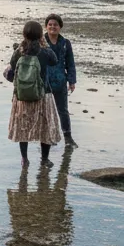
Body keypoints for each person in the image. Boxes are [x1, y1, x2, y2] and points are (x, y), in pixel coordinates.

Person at [5, 19, 61, 168]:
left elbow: (11, 65)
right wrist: (46, 44)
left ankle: (24, 159)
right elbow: (54, 61)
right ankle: (44, 159)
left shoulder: (19, 51)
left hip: (22, 97)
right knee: (45, 128)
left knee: (23, 128)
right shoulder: (44, 51)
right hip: (43, 95)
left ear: (24, 34)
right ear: (40, 35)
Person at [44, 13, 78, 148]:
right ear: (46, 27)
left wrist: (72, 81)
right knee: (46, 111)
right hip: (44, 82)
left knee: (63, 111)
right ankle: (47, 138)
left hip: (60, 81)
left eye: (55, 25)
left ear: (60, 27)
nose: (53, 27)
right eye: (50, 25)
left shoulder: (65, 43)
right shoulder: (41, 41)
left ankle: (68, 138)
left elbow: (70, 63)